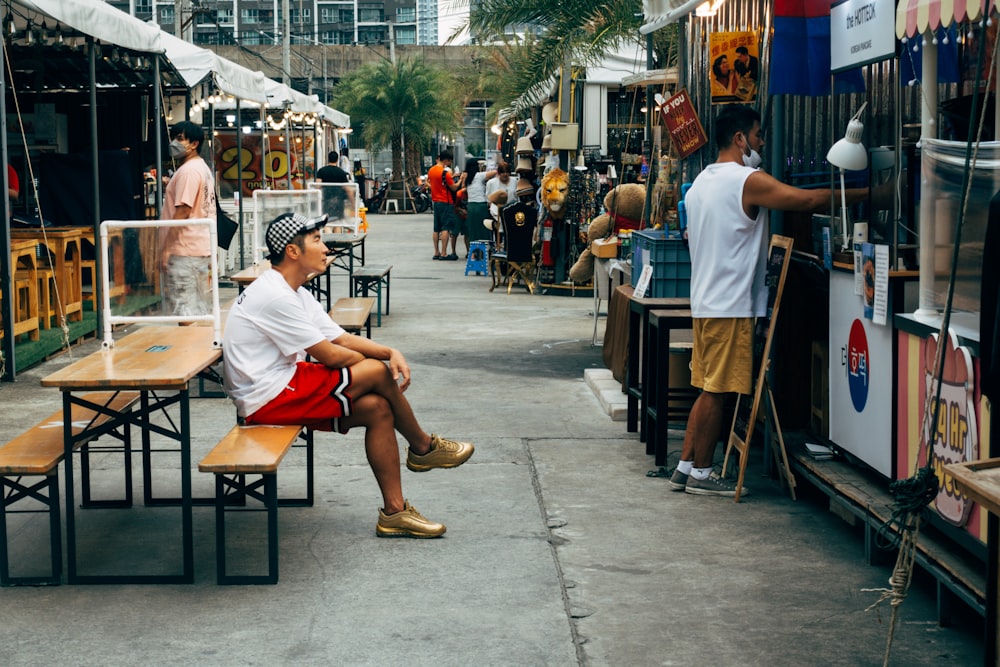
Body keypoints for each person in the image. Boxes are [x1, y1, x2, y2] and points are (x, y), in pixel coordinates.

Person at [222, 211, 475, 537]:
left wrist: (389, 351)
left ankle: (394, 513)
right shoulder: (274, 294)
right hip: (265, 398)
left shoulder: (294, 291)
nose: (326, 248)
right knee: (373, 372)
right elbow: (329, 354)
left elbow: (340, 337)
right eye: (316, 240)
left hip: (283, 384)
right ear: (293, 251)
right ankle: (423, 447)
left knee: (378, 409)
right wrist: (373, 362)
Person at [671, 105, 869, 497]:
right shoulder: (745, 179)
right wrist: (872, 193)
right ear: (740, 139)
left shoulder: (700, 184)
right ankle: (703, 474)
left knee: (707, 388)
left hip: (707, 302)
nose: (762, 142)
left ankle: (684, 466)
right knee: (717, 391)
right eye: (759, 135)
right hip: (729, 306)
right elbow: (806, 202)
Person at [161, 120, 216, 320]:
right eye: (174, 138)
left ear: (194, 144)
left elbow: (182, 212)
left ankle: (189, 351)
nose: (174, 143)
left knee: (185, 311)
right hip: (200, 248)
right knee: (199, 309)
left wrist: (166, 249)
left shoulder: (189, 171)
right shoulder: (201, 168)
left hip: (184, 250)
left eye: (180, 139)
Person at [427, 149, 462, 260]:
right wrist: (460, 180)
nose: (450, 164)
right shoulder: (445, 173)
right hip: (446, 202)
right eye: (450, 162)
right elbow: (454, 187)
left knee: (436, 228)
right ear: (446, 161)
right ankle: (444, 253)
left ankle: (436, 251)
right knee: (445, 227)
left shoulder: (431, 170)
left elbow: (435, 183)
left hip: (435, 202)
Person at [462, 158, 496, 245]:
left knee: (473, 230)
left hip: (471, 206)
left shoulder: (466, 177)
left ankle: (473, 252)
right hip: (481, 205)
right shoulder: (479, 175)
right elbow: (494, 172)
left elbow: (463, 188)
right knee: (483, 229)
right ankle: (483, 250)